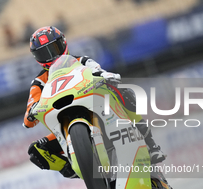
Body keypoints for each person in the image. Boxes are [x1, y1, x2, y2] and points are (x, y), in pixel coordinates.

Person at [23, 26, 166, 178]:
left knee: (124, 93)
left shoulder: (81, 61)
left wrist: (106, 77)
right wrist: (31, 113)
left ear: (63, 43)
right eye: (44, 53)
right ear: (37, 58)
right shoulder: (38, 82)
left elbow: (99, 71)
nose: (51, 56)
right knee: (36, 150)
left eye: (53, 48)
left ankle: (151, 144)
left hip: (94, 107)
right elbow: (30, 110)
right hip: (63, 123)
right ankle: (72, 169)